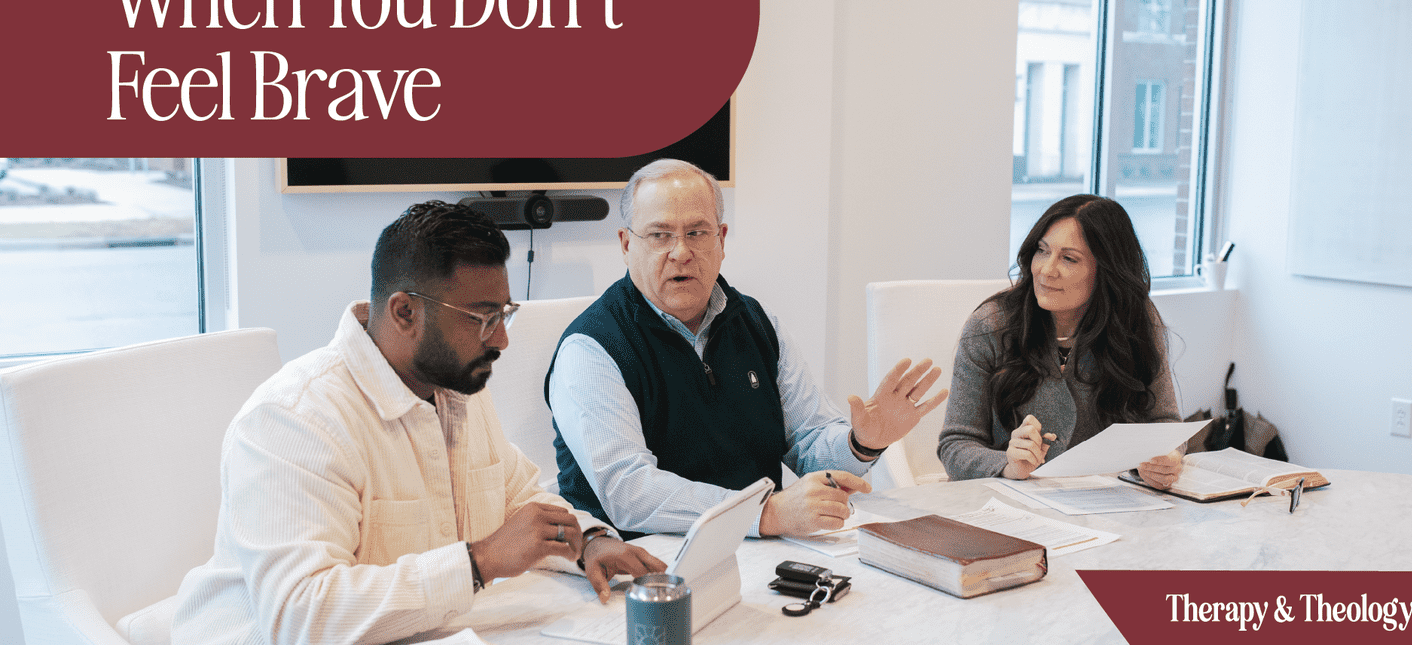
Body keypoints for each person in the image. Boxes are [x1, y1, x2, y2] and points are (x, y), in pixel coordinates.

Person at [173, 201, 665, 645]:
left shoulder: (455, 387)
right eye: (482, 318)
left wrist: (588, 543)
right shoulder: (296, 419)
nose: (501, 340)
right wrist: (478, 562)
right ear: (405, 312)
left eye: (504, 314)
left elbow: (517, 499)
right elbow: (300, 617)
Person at [546, 159, 947, 539]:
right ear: (625, 245)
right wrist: (763, 513)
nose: (681, 251)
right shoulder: (590, 348)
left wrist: (861, 443)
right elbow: (629, 493)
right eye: (659, 235)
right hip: (641, 564)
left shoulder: (757, 322)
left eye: (697, 233)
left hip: (759, 550)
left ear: (721, 240)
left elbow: (809, 444)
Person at [937, 194, 1184, 487]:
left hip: (1107, 498)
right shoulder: (992, 324)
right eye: (1042, 251)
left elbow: (1166, 425)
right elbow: (955, 444)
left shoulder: (1135, 319)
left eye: (1068, 258)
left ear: (1107, 269)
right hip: (1010, 498)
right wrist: (1007, 465)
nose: (1046, 270)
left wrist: (1166, 458)